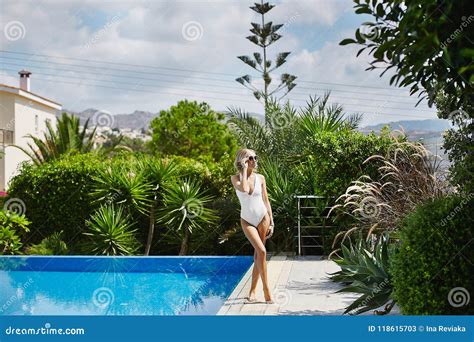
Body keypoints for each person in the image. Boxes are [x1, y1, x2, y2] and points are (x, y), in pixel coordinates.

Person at [230, 148, 274, 303]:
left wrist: (272, 221)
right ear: (243, 161)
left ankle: (253, 291)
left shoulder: (261, 178)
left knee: (258, 254)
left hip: (263, 217)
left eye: (255, 157)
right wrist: (243, 169)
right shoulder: (235, 178)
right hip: (247, 220)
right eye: (250, 158)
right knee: (261, 251)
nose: (254, 161)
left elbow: (266, 200)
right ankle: (266, 290)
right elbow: (245, 189)